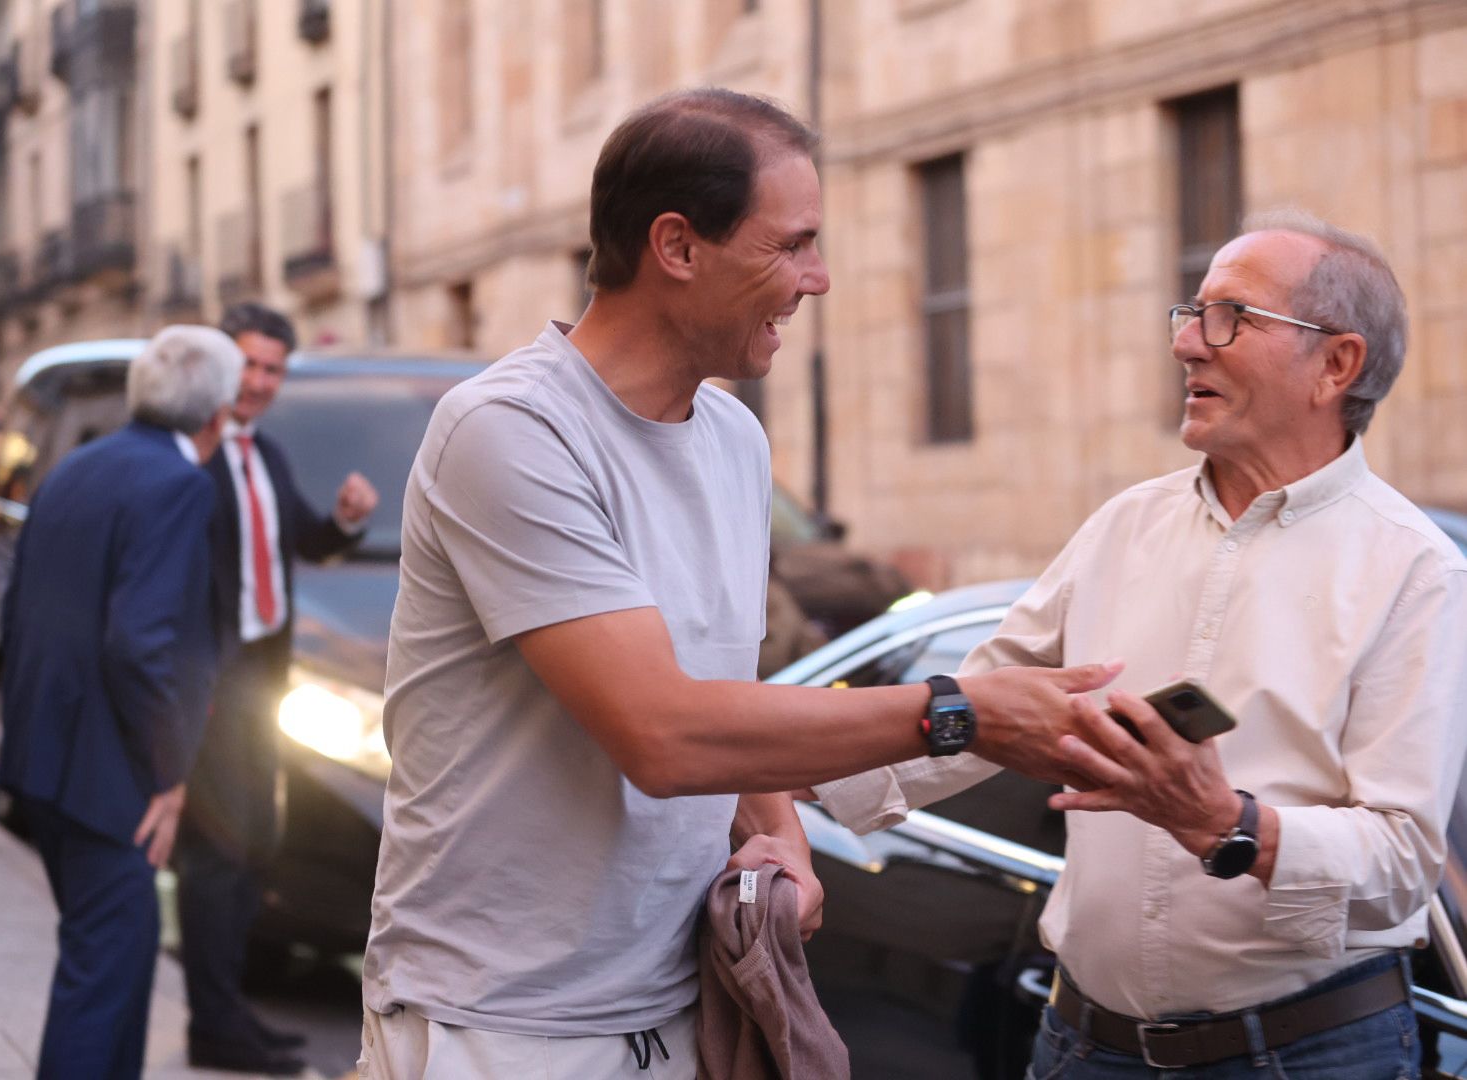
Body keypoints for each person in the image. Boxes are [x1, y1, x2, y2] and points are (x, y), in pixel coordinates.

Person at [358, 87, 1119, 1080]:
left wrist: (785, 845)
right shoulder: (510, 431)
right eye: (792, 244)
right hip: (496, 1027)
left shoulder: (733, 439)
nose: (820, 278)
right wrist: (956, 713)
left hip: (681, 1008)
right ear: (677, 247)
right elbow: (665, 734)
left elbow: (726, 701)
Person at [812, 210, 1467, 1077]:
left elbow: (1402, 862)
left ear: (1336, 365)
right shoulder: (1125, 526)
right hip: (1082, 1046)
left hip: (1303, 1057)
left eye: (1231, 317)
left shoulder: (1413, 569)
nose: (1189, 345)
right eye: (1189, 314)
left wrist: (1225, 825)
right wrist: (768, 785)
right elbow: (974, 716)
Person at [0, 326, 243, 1080]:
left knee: (119, 961)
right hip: (111, 777)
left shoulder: (76, 467)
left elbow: (19, 612)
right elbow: (138, 643)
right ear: (218, 416)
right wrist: (169, 774)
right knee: (102, 977)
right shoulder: (178, 483)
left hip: (48, 761)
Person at [174, 301, 379, 1075]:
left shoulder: (266, 456)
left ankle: (230, 1016)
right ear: (220, 366)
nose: (258, 381)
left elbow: (304, 541)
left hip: (265, 683)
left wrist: (346, 521)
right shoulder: (189, 459)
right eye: (247, 365)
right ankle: (215, 1025)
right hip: (213, 690)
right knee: (218, 857)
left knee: (255, 849)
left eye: (271, 369)